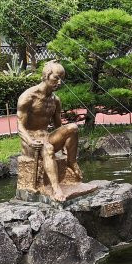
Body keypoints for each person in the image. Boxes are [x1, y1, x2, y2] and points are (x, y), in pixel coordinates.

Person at [15, 61, 80, 201]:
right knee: (48, 148)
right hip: (30, 141)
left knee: (73, 128)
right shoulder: (28, 97)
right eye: (56, 77)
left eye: (62, 78)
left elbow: (58, 126)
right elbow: (20, 126)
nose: (60, 82)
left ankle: (71, 161)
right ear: (46, 76)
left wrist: (63, 147)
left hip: (46, 136)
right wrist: (30, 141)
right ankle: (56, 188)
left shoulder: (55, 100)